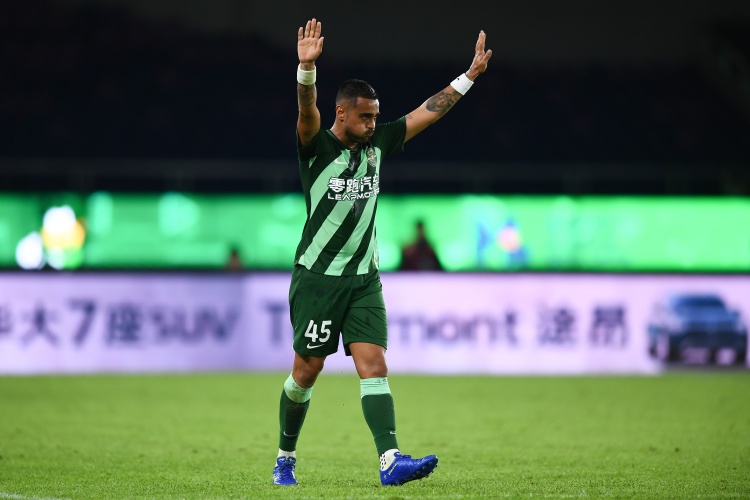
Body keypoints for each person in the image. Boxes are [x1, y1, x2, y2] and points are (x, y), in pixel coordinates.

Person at [273, 18, 492, 487]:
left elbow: (426, 112)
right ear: (341, 113)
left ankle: (389, 460)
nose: (373, 124)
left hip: (364, 280)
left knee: (374, 365)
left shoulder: (378, 145)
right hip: (318, 279)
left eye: (376, 117)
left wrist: (469, 76)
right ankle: (285, 457)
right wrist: (306, 71)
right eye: (365, 117)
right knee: (305, 372)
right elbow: (306, 110)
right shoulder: (316, 147)